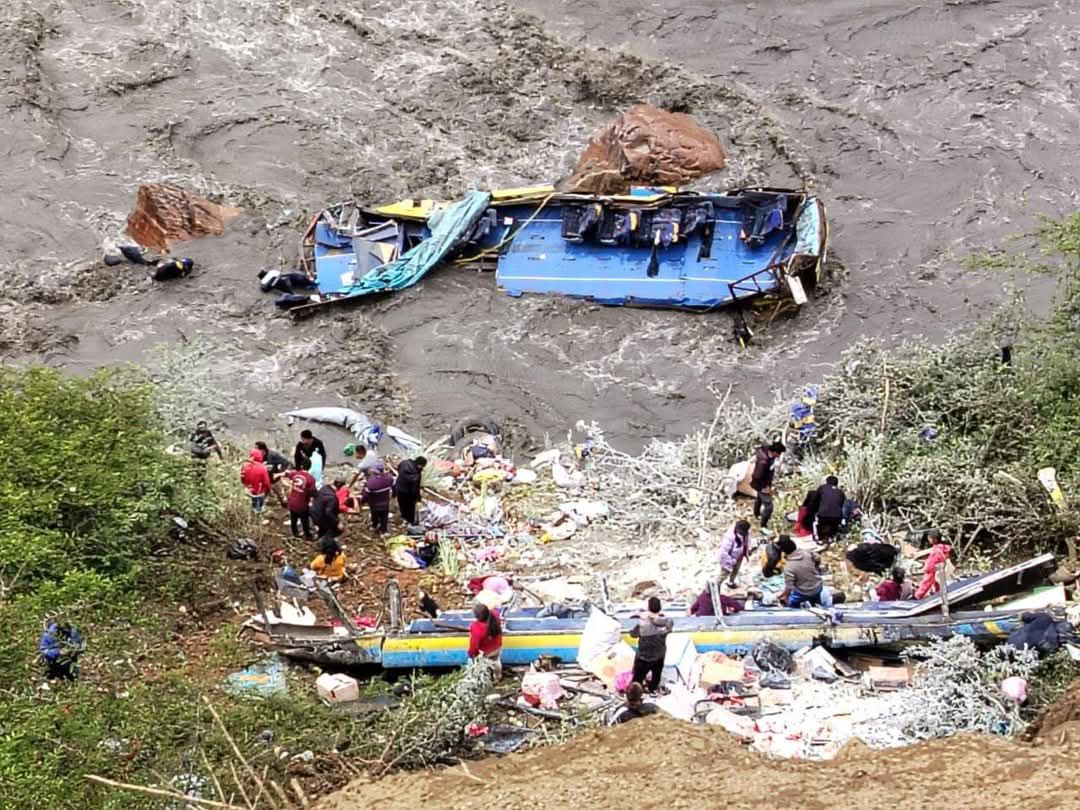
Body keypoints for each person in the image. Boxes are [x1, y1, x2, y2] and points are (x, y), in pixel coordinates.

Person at [629, 597, 673, 694]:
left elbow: (633, 634)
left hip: (644, 657)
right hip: (659, 655)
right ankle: (652, 689)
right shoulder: (667, 621)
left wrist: (644, 617)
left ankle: (635, 694)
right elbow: (668, 628)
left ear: (648, 608)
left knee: (637, 678)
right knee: (656, 675)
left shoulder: (643, 623)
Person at [750, 441, 785, 531]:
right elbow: (757, 476)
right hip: (760, 485)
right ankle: (763, 526)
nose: (779, 456)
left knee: (759, 498)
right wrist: (763, 488)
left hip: (764, 482)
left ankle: (756, 514)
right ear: (774, 452)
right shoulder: (763, 462)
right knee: (769, 506)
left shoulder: (769, 454)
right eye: (779, 453)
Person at [468, 602, 503, 680]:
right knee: (496, 661)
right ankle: (498, 677)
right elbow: (495, 610)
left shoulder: (476, 627)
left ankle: (483, 678)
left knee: (480, 665)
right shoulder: (494, 615)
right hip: (498, 647)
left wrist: (471, 655)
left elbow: (474, 646)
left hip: (486, 652)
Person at [915, 530, 953, 599]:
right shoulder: (943, 547)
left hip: (936, 570)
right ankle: (937, 593)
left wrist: (918, 595)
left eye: (929, 538)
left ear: (934, 539)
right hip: (942, 570)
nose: (928, 540)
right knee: (937, 583)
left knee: (927, 581)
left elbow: (930, 567)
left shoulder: (936, 551)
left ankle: (918, 596)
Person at [285, 459, 317, 540]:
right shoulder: (311, 479)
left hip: (292, 502)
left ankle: (295, 533)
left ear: (302, 466)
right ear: (310, 467)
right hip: (302, 504)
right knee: (304, 521)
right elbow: (313, 492)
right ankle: (308, 536)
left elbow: (288, 474)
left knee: (293, 519)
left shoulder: (296, 473)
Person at [361, 462, 395, 534]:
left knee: (374, 516)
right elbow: (394, 487)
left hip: (374, 504)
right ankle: (384, 530)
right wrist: (394, 495)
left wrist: (362, 501)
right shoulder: (389, 478)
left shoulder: (371, 481)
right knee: (384, 517)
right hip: (385, 503)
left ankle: (374, 525)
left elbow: (366, 494)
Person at [717, 520, 752, 587]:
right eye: (743, 533)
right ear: (738, 530)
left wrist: (748, 549)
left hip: (739, 556)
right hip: (729, 559)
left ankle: (731, 582)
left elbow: (748, 540)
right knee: (723, 574)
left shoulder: (746, 532)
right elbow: (723, 553)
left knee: (736, 570)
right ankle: (715, 587)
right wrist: (731, 561)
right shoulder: (729, 537)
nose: (745, 534)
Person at [394, 456, 427, 525]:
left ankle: (403, 518)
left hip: (399, 488)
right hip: (407, 492)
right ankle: (410, 521)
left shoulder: (405, 462)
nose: (422, 468)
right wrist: (418, 499)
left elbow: (398, 468)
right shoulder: (416, 475)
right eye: (422, 466)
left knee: (402, 505)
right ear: (420, 465)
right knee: (410, 507)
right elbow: (415, 488)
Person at [814, 475, 845, 545]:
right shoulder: (840, 492)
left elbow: (815, 500)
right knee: (834, 524)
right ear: (837, 483)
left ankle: (820, 538)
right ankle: (831, 537)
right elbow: (842, 504)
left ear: (826, 482)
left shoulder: (822, 488)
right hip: (836, 516)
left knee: (819, 523)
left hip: (823, 515)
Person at [240, 449, 273, 513]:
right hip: (259, 491)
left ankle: (253, 514)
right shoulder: (262, 468)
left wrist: (245, 485)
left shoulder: (244, 466)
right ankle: (259, 514)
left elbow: (242, 478)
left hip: (248, 491)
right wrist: (269, 490)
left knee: (252, 505)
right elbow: (266, 482)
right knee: (259, 506)